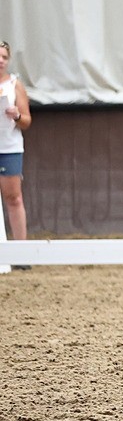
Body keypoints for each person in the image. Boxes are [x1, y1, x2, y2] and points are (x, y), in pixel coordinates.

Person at [0, 41, 31, 268]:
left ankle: (21, 253)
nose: (1, 61)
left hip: (9, 148)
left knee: (14, 198)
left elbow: (27, 121)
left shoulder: (15, 85)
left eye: (4, 57)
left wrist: (17, 116)